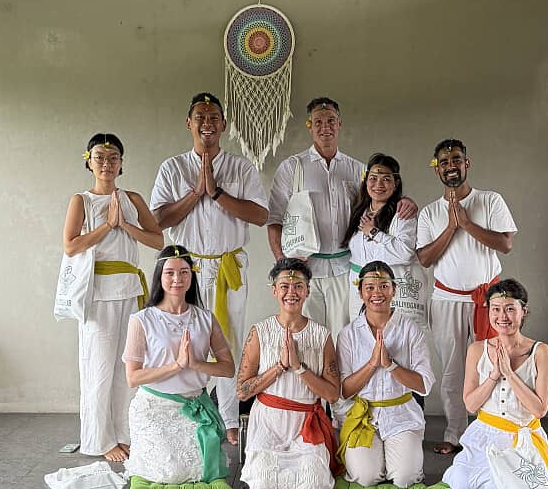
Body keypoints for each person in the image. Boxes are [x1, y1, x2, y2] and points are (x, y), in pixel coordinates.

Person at [150, 92, 268, 445]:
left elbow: (260, 216)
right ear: (189, 123)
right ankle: (186, 413)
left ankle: (230, 419)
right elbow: (158, 219)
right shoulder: (172, 168)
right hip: (185, 269)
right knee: (183, 342)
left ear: (224, 125)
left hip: (229, 268)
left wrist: (216, 193)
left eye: (214, 116)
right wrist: (196, 192)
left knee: (228, 344)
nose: (207, 122)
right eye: (200, 116)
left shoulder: (241, 167)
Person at [267, 98, 417, 335]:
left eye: (330, 121)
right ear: (310, 125)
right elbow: (275, 219)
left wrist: (405, 201)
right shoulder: (292, 167)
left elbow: (379, 195)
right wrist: (283, 262)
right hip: (306, 270)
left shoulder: (357, 169)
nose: (324, 127)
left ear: (339, 124)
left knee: (344, 337)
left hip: (344, 270)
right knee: (307, 337)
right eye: (318, 121)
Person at [62, 133, 163, 462]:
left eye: (113, 157)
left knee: (127, 367)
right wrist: (107, 225)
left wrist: (124, 224)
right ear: (88, 160)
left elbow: (157, 239)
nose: (106, 163)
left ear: (121, 163)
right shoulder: (82, 200)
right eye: (100, 157)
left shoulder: (132, 198)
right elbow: (71, 245)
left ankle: (123, 433)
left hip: (130, 291)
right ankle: (99, 439)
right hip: (98, 293)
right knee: (99, 366)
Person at [416, 139, 517, 454]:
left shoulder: (490, 200)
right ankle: (454, 433)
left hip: (488, 300)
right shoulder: (431, 212)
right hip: (447, 301)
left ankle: (492, 433)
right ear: (438, 169)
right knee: (452, 371)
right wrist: (450, 226)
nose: (451, 166)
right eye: (444, 163)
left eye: (456, 160)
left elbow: (505, 244)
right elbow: (424, 259)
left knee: (495, 365)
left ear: (466, 163)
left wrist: (467, 224)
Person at [122, 245, 234, 485]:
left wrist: (195, 363)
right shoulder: (142, 319)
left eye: (184, 272)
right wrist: (177, 365)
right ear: (160, 276)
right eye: (170, 272)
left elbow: (228, 368)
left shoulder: (205, 318)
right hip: (155, 407)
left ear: (192, 276)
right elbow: (133, 378)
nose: (177, 279)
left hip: (194, 404)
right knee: (172, 472)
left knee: (201, 470)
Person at [236, 259, 341, 489]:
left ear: (307, 291)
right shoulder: (259, 332)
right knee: (263, 481)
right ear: (274, 290)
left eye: (298, 286)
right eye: (284, 286)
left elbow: (333, 394)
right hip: (268, 423)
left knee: (312, 483)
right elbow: (242, 391)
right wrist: (280, 367)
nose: (291, 292)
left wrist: (298, 368)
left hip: (305, 425)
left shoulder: (321, 335)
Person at [442, 279, 548, 489]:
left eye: (510, 309)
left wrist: (510, 374)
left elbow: (540, 409)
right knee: (461, 483)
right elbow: (471, 405)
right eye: (496, 309)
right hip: (486, 433)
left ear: (523, 311)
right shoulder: (477, 349)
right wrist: (494, 374)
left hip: (521, 437)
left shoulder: (541, 352)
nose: (502, 317)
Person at [336, 262, 434, 488]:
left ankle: (396, 459)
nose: (376, 293)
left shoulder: (410, 329)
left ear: (394, 290)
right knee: (366, 477)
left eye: (383, 286)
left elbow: (424, 384)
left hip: (401, 414)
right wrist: (372, 364)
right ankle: (377, 461)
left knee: (404, 478)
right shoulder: (348, 334)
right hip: (364, 416)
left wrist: (390, 365)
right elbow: (344, 390)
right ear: (360, 292)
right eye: (369, 287)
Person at [341, 154, 425, 325]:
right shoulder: (359, 210)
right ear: (365, 181)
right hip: (358, 287)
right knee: (360, 338)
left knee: (391, 340)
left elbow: (404, 253)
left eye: (386, 179)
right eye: (373, 178)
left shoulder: (402, 214)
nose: (378, 185)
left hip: (386, 288)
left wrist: (374, 233)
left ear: (396, 183)